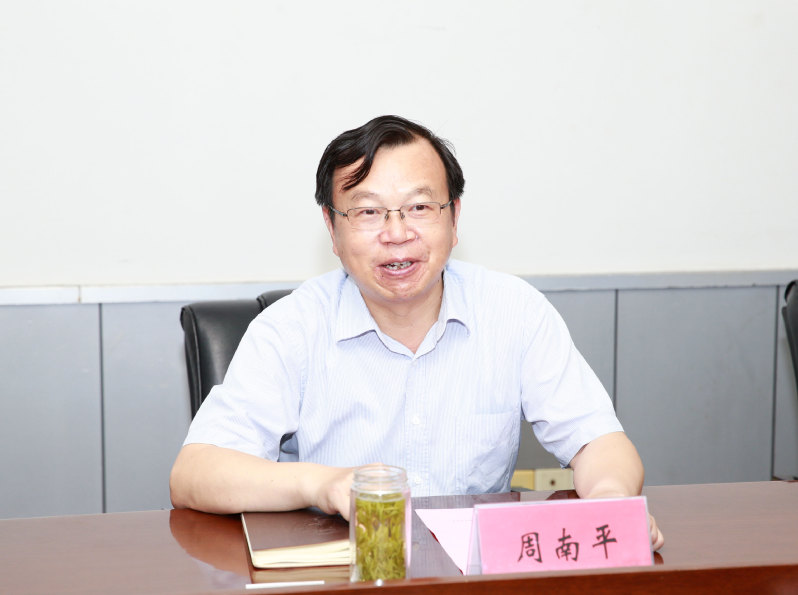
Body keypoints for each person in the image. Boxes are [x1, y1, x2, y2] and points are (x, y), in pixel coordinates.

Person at [170, 115, 664, 550]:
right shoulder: (290, 328)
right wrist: (324, 485)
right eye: (367, 211)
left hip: (474, 572)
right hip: (343, 569)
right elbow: (194, 474)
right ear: (332, 229)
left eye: (420, 208)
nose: (397, 233)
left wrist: (610, 504)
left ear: (454, 217)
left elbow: (598, 441)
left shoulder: (514, 312)